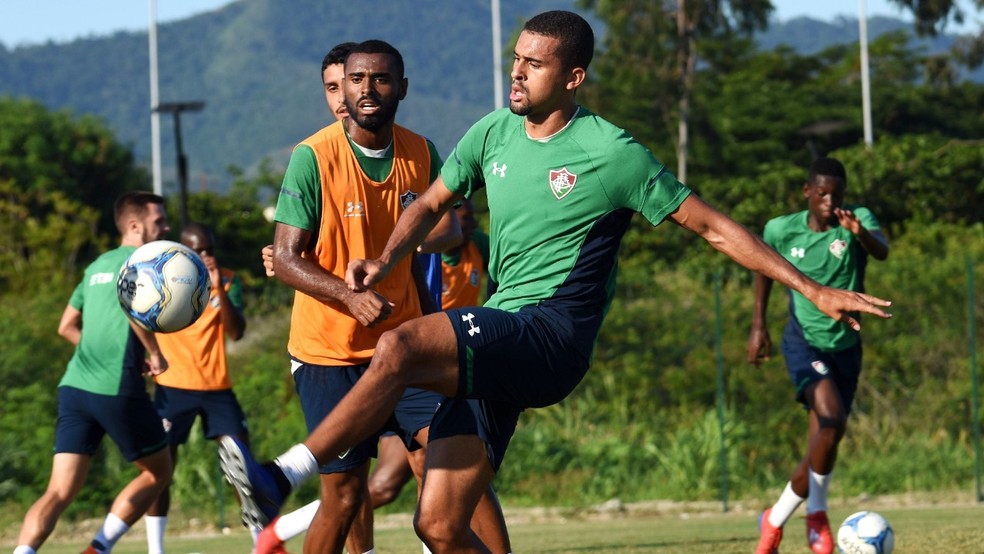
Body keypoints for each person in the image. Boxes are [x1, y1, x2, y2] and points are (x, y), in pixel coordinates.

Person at [219, 11, 892, 553]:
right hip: (501, 337)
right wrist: (384, 261)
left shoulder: (612, 151)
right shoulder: (492, 133)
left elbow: (713, 226)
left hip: (550, 336)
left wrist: (812, 287)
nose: (516, 73)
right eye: (515, 59)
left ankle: (280, 476)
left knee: (396, 349)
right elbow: (425, 207)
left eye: (533, 64)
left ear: (573, 77)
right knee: (441, 526)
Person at [233, 39, 509, 554]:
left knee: (457, 461)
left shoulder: (421, 151)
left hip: (404, 348)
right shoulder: (312, 156)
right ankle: (276, 521)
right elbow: (287, 258)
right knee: (344, 495)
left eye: (379, 80)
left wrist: (404, 245)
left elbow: (449, 225)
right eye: (355, 80)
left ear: (401, 88)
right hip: (328, 354)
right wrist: (348, 294)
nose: (365, 90)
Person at [12, 191, 174, 554]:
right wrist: (155, 354)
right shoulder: (142, 263)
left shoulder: (96, 266)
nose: (166, 226)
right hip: (117, 387)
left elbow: (66, 326)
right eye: (159, 221)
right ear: (135, 226)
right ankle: (98, 548)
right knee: (158, 472)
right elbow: (135, 312)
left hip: (74, 387)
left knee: (58, 491)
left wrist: (95, 351)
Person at [747, 157, 890, 554]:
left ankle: (790, 518)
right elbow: (762, 268)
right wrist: (758, 324)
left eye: (837, 195)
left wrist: (862, 235)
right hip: (803, 342)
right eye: (823, 194)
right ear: (808, 192)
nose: (830, 201)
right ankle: (798, 521)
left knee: (823, 440)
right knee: (832, 421)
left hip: (846, 347)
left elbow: (882, 252)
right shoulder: (780, 228)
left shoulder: (856, 219)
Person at [143, 222, 249, 554]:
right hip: (173, 386)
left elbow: (237, 332)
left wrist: (217, 290)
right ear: (183, 250)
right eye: (198, 250)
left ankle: (263, 542)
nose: (205, 255)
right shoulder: (165, 278)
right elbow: (142, 319)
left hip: (217, 386)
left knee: (241, 465)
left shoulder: (229, 280)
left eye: (209, 249)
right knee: (160, 468)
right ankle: (155, 549)